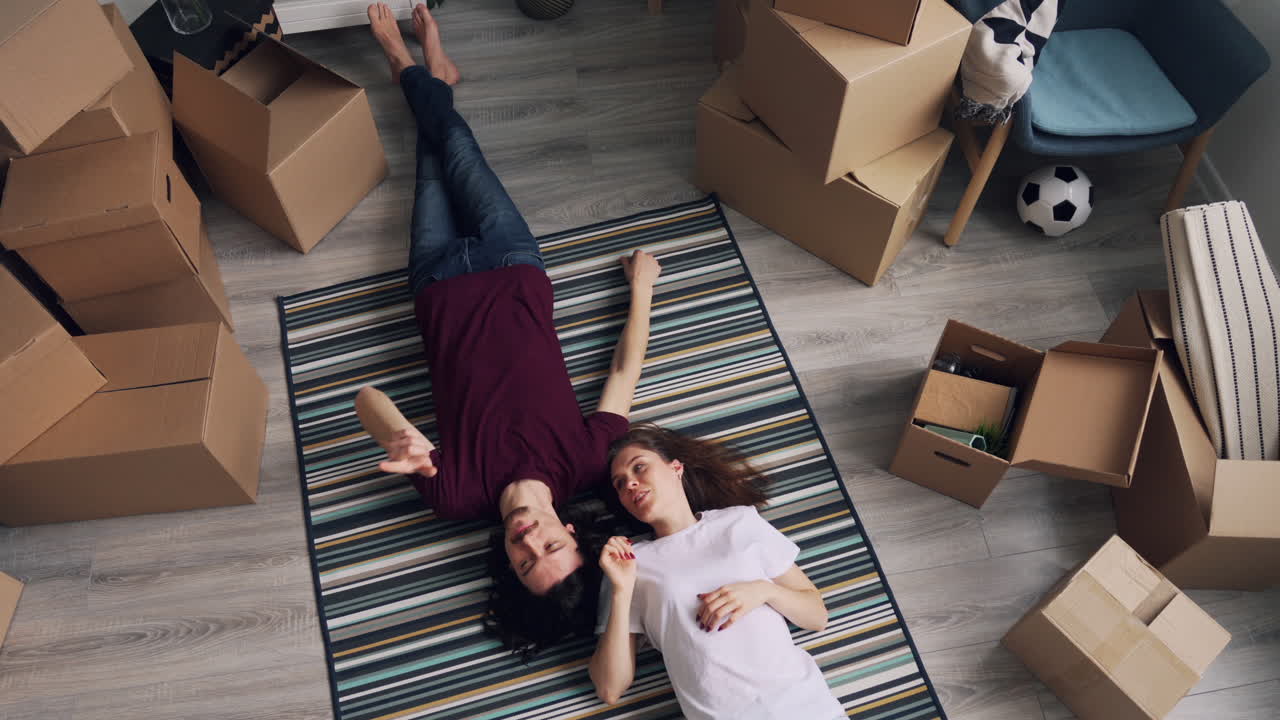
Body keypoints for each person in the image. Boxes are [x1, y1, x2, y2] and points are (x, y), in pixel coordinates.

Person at [355, 3, 661, 656]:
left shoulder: (455, 493)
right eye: (549, 545)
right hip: (512, 263)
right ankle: (405, 62)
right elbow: (622, 374)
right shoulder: (584, 463)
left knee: (435, 155)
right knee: (457, 144)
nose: (527, 535)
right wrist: (642, 289)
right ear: (572, 535)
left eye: (523, 558)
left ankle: (434, 73)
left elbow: (366, 400)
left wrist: (401, 438)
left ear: (506, 566)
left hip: (436, 282)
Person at [588, 424, 845, 719]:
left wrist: (762, 590)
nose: (630, 483)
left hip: (806, 708)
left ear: (676, 468)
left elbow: (817, 616)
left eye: (639, 468)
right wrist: (621, 591)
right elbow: (610, 688)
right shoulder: (629, 562)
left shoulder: (740, 521)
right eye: (620, 483)